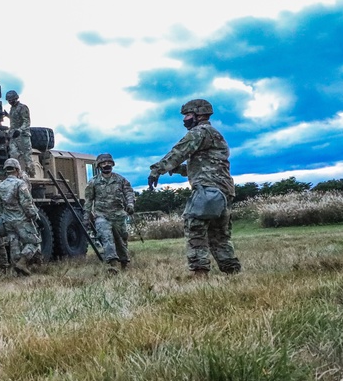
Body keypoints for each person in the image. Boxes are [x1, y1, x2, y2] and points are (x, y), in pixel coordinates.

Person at [148, 99, 242, 276]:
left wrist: (157, 169)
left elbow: (179, 151)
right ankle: (232, 270)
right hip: (224, 191)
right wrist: (180, 170)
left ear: (199, 115)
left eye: (187, 115)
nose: (185, 119)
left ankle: (200, 272)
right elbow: (204, 166)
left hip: (207, 191)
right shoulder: (214, 134)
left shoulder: (199, 132)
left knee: (195, 229)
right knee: (219, 235)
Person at [84, 153, 135, 274]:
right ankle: (112, 264)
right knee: (106, 238)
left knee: (122, 240)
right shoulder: (93, 182)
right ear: (99, 166)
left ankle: (124, 262)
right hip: (102, 216)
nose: (106, 165)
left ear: (112, 164)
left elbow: (129, 193)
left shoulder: (121, 180)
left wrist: (130, 204)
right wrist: (86, 217)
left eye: (108, 162)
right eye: (103, 163)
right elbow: (88, 201)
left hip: (118, 215)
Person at [0, 158, 41, 275]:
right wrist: (34, 216)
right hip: (21, 219)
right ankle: (22, 263)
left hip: (7, 220)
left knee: (14, 244)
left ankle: (18, 272)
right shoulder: (20, 184)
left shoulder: (0, 185)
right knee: (34, 242)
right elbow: (26, 203)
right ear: (17, 169)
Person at [4, 90, 34, 178]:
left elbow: (26, 121)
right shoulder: (12, 109)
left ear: (15, 98)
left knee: (27, 157)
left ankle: (31, 176)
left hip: (23, 136)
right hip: (14, 136)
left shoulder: (23, 107)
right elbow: (14, 119)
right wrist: (7, 115)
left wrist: (20, 130)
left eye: (11, 100)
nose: (9, 102)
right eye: (8, 100)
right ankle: (16, 175)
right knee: (13, 155)